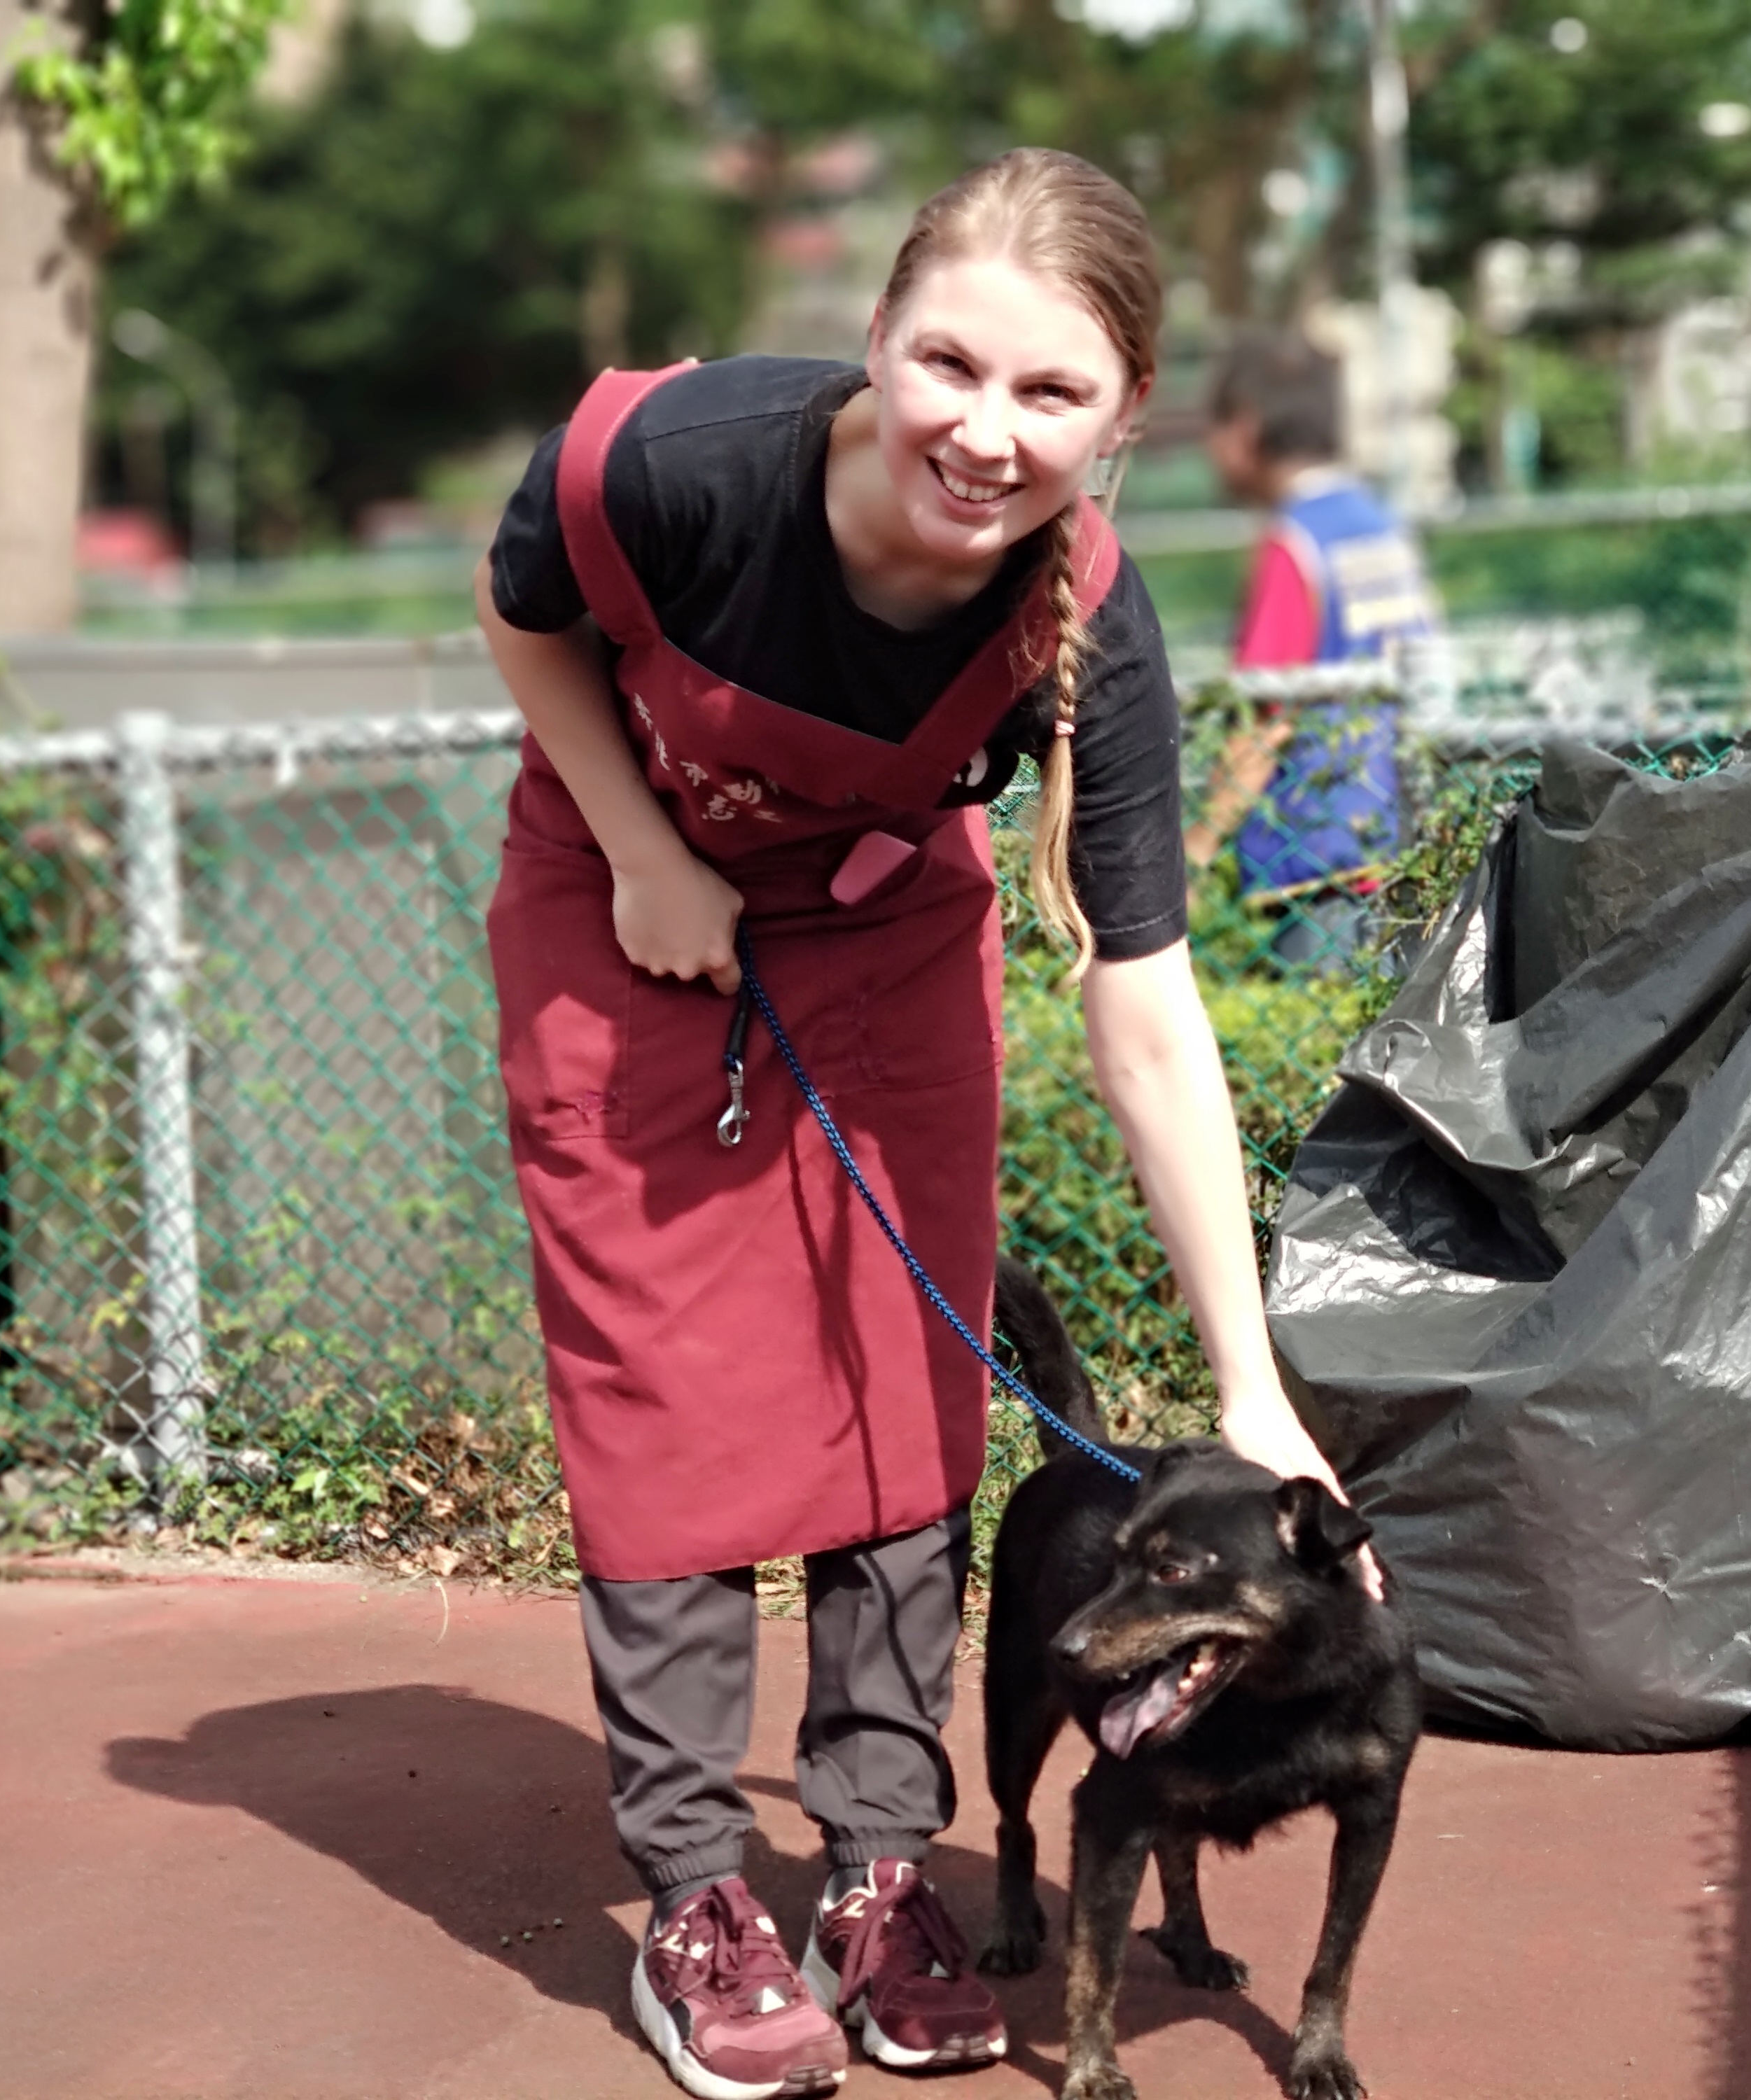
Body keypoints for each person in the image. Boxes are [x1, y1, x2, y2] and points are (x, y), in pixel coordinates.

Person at [475, 148, 1375, 2100]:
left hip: (884, 940)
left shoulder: (1089, 623)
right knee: (671, 1404)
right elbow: (523, 612)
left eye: (1053, 395)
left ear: (1127, 417)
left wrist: (1250, 1386)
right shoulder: (681, 463)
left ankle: (882, 1866)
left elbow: (1144, 1004)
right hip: (630, 915)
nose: (983, 432)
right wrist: (642, 851)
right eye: (946, 365)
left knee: (902, 1399)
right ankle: (702, 1897)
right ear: (874, 338)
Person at [1184, 330, 1439, 969]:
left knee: (1324, 1056)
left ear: (1244, 428)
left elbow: (1264, 718)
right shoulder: (1380, 526)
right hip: (1397, 836)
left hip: (1318, 859)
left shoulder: (1293, 544)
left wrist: (1194, 852)